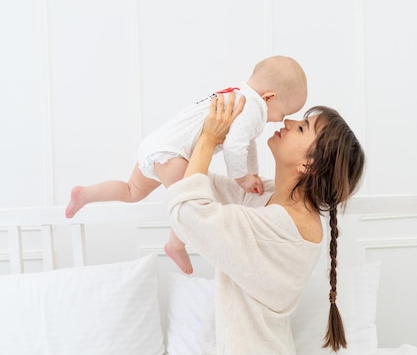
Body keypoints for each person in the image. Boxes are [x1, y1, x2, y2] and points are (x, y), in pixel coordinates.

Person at [88, 93, 365, 355]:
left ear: (308, 164)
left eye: (302, 127)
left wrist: (208, 138)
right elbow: (201, 187)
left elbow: (191, 212)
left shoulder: (283, 228)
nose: (289, 122)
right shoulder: (268, 198)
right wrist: (194, 140)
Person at [65, 55, 308, 274]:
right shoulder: (253, 108)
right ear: (269, 97)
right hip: (174, 155)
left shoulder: (237, 93)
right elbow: (235, 145)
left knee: (131, 190)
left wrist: (252, 172)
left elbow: (248, 143)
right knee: (191, 205)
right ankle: (175, 244)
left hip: (156, 144)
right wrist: (242, 178)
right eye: (284, 113)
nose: (281, 120)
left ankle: (85, 194)